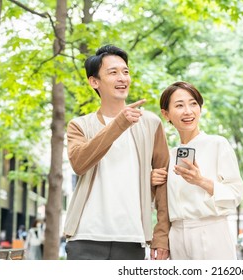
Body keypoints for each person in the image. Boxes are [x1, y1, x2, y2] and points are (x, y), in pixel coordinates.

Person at [63, 44, 170, 260]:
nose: (122, 78)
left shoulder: (150, 123)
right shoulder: (79, 125)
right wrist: (118, 124)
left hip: (132, 238)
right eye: (113, 72)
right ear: (94, 82)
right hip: (85, 237)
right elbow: (79, 163)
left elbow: (164, 181)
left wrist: (161, 236)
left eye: (125, 72)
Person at [151, 81, 243, 259]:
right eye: (179, 105)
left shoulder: (218, 144)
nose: (188, 111)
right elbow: (161, 205)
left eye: (193, 103)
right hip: (177, 235)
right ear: (166, 114)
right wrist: (152, 182)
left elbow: (236, 194)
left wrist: (200, 181)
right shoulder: (168, 157)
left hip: (211, 230)